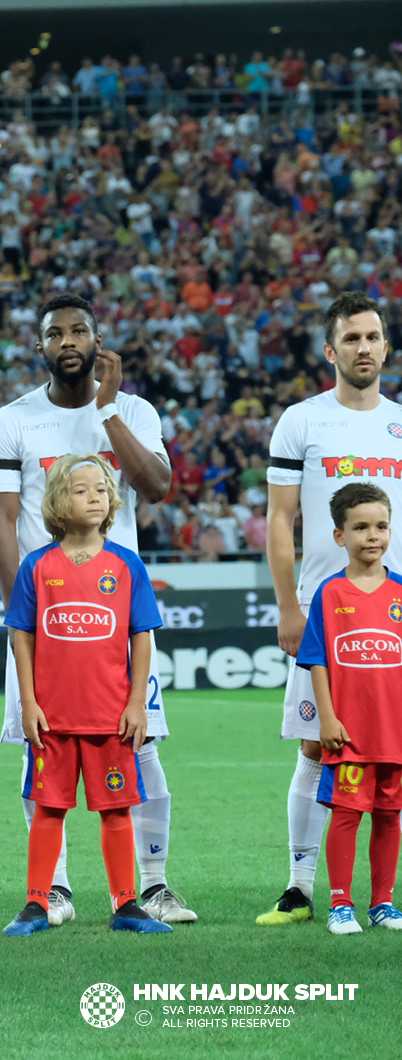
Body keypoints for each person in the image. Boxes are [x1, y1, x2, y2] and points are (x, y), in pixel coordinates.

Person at [0, 293, 192, 927]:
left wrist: (107, 412)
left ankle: (150, 887)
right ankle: (58, 890)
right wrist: (26, 616)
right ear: (39, 347)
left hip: (113, 617)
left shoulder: (133, 410)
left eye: (79, 331)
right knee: (39, 747)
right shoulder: (14, 421)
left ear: (98, 342)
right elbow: (0, 523)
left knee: (142, 741)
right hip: (48, 616)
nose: (67, 341)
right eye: (55, 333)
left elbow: (155, 487)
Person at [261, 292, 402, 925]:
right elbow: (281, 518)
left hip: (391, 617)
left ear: (385, 346)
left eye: (374, 337)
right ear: (331, 350)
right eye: (353, 339)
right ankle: (301, 885)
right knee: (318, 749)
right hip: (328, 613)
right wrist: (290, 607)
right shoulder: (302, 420)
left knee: (392, 755)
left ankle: (377, 896)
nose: (365, 348)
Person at [1, 454, 172, 936]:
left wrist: (137, 702)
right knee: (49, 809)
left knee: (117, 810)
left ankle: (126, 904)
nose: (95, 496)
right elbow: (22, 638)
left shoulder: (127, 565)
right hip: (52, 719)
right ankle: (37, 902)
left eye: (101, 488)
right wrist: (29, 702)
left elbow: (142, 636)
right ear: (58, 500)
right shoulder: (37, 567)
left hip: (110, 716)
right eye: (82, 490)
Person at [295, 482, 402, 934]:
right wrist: (328, 718)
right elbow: (316, 660)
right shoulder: (329, 593)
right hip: (350, 729)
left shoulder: (399, 591)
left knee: (389, 814)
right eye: (360, 528)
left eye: (381, 526)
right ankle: (341, 903)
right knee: (346, 812)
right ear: (340, 536)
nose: (372, 536)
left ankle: (383, 902)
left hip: (393, 729)